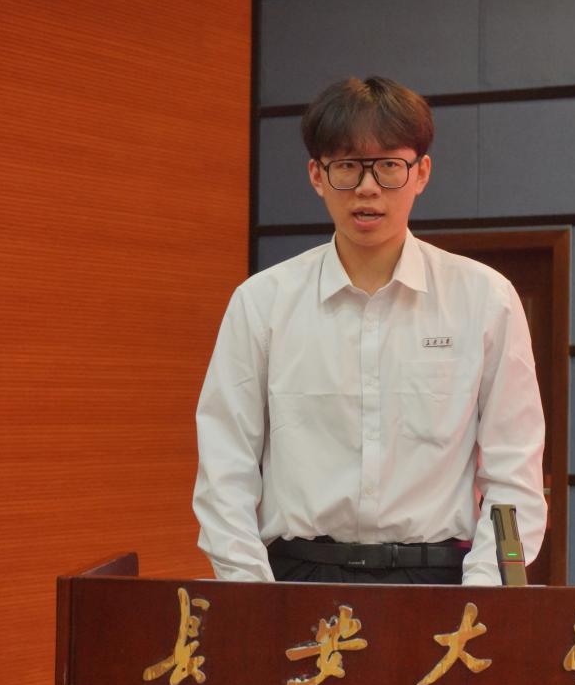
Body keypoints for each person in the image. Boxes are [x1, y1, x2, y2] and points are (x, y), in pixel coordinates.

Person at [192, 76, 545, 585]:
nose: (368, 188)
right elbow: (225, 468)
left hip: (440, 579)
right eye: (347, 166)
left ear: (421, 173)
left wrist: (487, 593)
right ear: (317, 175)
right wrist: (253, 598)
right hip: (297, 577)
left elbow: (513, 472)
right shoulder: (262, 303)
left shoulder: (485, 299)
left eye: (388, 166)